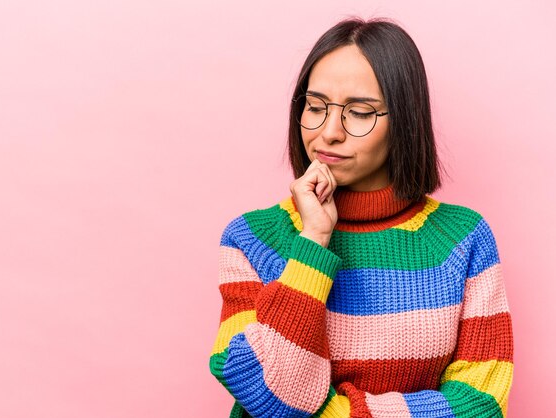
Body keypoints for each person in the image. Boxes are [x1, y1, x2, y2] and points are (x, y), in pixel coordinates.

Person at [209, 17, 513, 418]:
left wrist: (339, 413)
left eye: (359, 112)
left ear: (403, 120)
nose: (329, 132)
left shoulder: (463, 237)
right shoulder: (250, 238)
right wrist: (314, 239)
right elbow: (268, 391)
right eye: (315, 107)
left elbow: (483, 404)